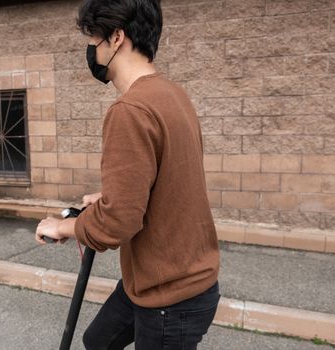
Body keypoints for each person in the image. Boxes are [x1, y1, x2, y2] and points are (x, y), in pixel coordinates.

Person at [35, 0, 221, 348]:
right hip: (158, 280)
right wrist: (111, 197)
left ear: (117, 37)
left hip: (171, 297)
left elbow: (117, 223)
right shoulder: (172, 94)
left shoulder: (130, 110)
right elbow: (167, 181)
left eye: (93, 39)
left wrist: (61, 226)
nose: (91, 50)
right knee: (98, 341)